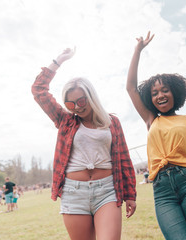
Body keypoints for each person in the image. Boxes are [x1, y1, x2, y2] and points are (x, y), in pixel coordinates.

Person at [32, 48, 137, 240]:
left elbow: (124, 158)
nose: (77, 107)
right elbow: (39, 90)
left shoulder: (111, 122)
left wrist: (130, 193)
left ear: (91, 96)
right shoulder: (65, 121)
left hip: (107, 190)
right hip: (74, 193)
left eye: (81, 100)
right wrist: (58, 61)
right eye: (70, 104)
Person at [127, 32, 186, 240]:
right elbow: (130, 88)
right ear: (150, 98)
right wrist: (138, 50)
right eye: (154, 93)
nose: (160, 95)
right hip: (162, 191)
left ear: (175, 93)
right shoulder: (151, 119)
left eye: (164, 90)